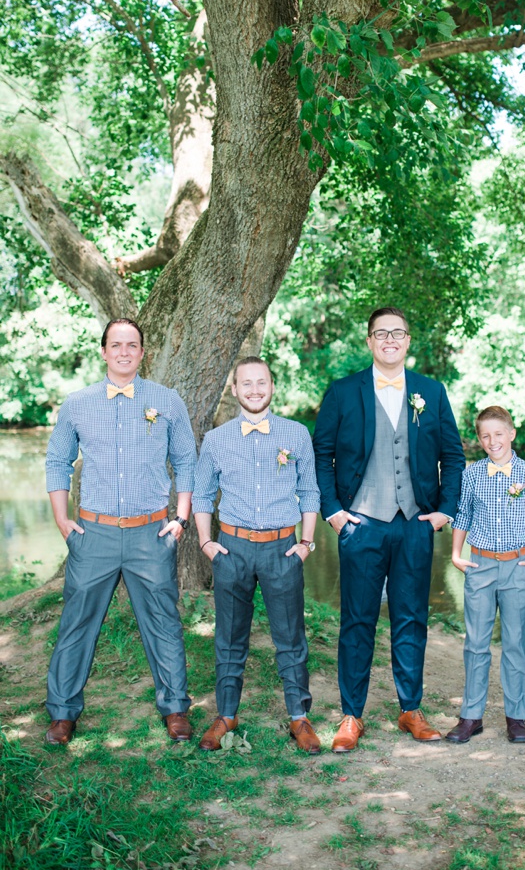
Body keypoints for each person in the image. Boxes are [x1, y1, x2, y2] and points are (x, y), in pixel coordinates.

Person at [312, 306, 466, 753]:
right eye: (381, 334)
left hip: (415, 523)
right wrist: (335, 512)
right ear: (369, 341)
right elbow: (323, 454)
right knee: (356, 621)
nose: (390, 340)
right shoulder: (343, 392)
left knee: (412, 618)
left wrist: (444, 510)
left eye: (398, 333)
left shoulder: (430, 392)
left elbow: (453, 456)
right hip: (360, 524)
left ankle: (410, 709)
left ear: (408, 340)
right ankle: (351, 715)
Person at [42, 318, 198, 745]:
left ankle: (176, 708)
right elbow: (57, 461)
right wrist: (62, 520)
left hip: (152, 533)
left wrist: (180, 519)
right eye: (116, 345)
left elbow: (186, 461)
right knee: (76, 623)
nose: (124, 352)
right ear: (104, 351)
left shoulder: (166, 400)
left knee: (165, 622)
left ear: (143, 352)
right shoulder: (77, 403)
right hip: (94, 533)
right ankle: (62, 712)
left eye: (132, 345)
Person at [192, 357, 322, 754]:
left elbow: (310, 492)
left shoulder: (297, 434)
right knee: (230, 638)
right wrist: (206, 544)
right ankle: (226, 714)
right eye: (245, 383)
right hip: (233, 549)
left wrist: (305, 545)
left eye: (260, 382)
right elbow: (201, 495)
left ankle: (299, 717)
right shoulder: (216, 439)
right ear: (234, 389)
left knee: (291, 637)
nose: (253, 389)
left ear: (272, 386)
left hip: (283, 549)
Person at [445, 406, 525, 745]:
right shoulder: (472, 474)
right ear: (479, 440)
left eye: (498, 433)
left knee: (516, 644)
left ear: (511, 434)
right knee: (476, 643)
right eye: (485, 436)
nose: (493, 441)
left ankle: (517, 717)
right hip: (480, 566)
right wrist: (455, 553)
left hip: (518, 567)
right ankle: (471, 716)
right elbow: (462, 513)